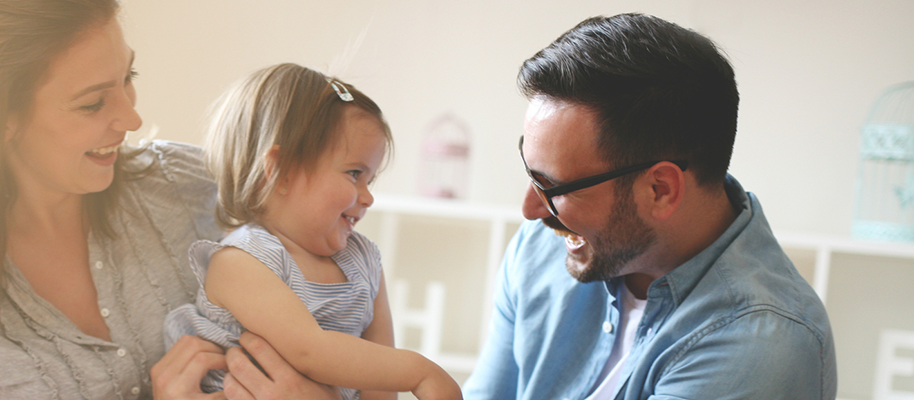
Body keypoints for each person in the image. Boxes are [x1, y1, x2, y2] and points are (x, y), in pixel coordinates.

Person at [0, 1, 339, 399]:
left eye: (128, 77)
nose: (131, 119)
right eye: (92, 103)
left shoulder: (188, 184)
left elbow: (348, 249)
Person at [463, 13, 837, 400]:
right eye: (531, 171)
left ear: (660, 189)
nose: (530, 209)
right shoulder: (541, 250)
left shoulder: (761, 342)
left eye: (554, 187)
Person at [163, 63, 463, 400]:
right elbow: (311, 353)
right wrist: (421, 372)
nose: (368, 197)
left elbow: (380, 391)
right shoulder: (241, 262)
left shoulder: (364, 262)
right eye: (354, 173)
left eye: (371, 179)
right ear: (281, 171)